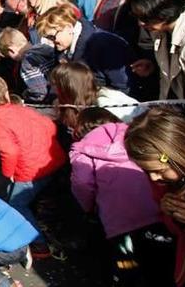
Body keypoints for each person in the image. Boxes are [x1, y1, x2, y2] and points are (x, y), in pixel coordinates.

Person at [69, 107, 175, 286]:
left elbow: (82, 183)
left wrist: (89, 208)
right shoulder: (135, 136)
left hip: (120, 219)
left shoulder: (82, 150)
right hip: (159, 211)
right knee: (164, 263)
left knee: (129, 267)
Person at [0, 74, 67, 257]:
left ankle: (39, 245)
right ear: (7, 94)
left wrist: (9, 173)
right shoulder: (23, 109)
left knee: (17, 204)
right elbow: (49, 126)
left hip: (30, 169)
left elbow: (9, 152)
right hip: (53, 159)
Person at [125, 108, 185, 286]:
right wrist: (170, 214)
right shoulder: (163, 183)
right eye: (146, 171)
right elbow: (174, 230)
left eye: (159, 171)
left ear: (179, 154)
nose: (153, 178)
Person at [36, 3, 133, 94]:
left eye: (52, 37)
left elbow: (123, 86)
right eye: (47, 38)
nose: (51, 42)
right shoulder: (63, 49)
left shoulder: (104, 44)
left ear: (69, 28)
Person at [127, 0, 185, 100]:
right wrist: (155, 67)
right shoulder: (161, 33)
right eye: (137, 17)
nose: (141, 23)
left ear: (163, 9)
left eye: (145, 18)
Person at [49, 62, 145, 127]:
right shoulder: (71, 105)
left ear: (69, 87)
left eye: (56, 85)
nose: (53, 89)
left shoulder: (106, 104)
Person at [0, 27, 59, 104]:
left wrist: (25, 95)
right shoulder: (45, 47)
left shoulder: (27, 63)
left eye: (9, 56)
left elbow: (40, 92)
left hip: (50, 101)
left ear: (11, 50)